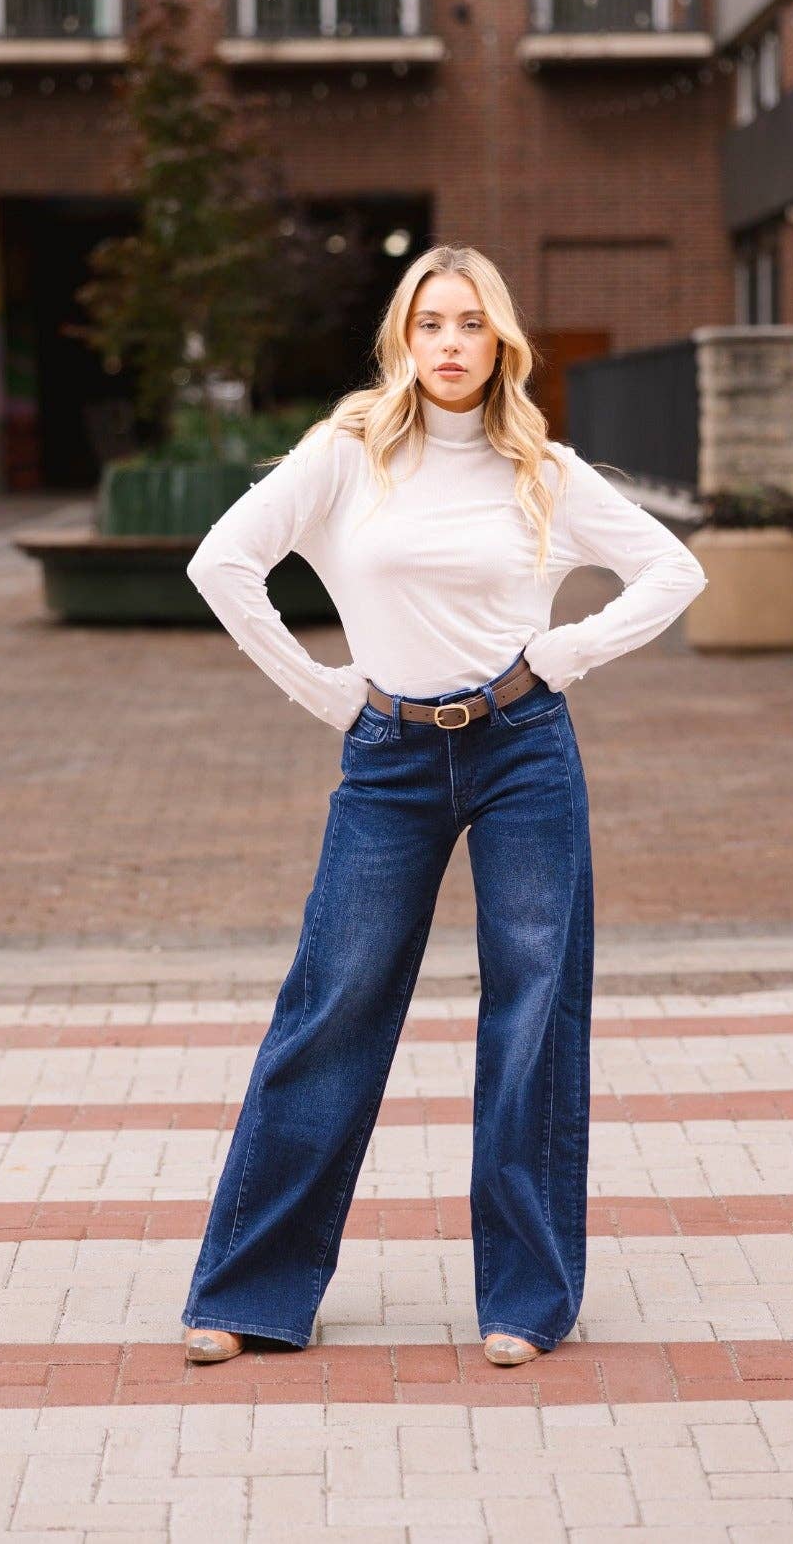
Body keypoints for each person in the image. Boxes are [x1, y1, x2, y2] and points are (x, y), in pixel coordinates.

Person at [178, 243, 708, 1366]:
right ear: (402, 340)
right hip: (388, 758)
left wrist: (567, 651)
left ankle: (525, 1301)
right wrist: (323, 690)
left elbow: (673, 570)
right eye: (431, 324)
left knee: (532, 1015)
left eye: (470, 323)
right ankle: (249, 1293)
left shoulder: (543, 469)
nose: (451, 344)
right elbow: (223, 563)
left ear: (500, 340)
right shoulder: (345, 456)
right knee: (333, 1005)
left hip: (522, 746)